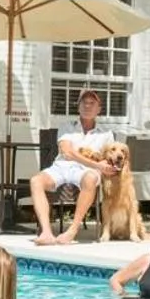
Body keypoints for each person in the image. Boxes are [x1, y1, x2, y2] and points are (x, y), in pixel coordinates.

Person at [31, 88, 120, 245]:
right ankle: (46, 232)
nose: (87, 106)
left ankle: (72, 229)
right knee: (35, 181)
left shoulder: (106, 133)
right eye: (84, 103)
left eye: (92, 103)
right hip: (62, 166)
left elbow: (108, 158)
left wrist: (106, 166)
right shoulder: (67, 126)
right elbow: (67, 153)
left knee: (91, 178)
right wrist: (95, 163)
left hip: (86, 172)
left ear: (99, 109)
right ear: (78, 107)